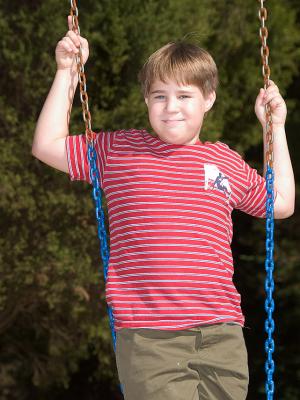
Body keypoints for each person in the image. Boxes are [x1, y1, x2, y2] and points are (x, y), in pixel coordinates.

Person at [32, 16, 295, 400]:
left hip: (221, 332)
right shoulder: (120, 151)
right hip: (151, 336)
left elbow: (281, 203)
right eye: (159, 96)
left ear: (208, 99)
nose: (171, 107)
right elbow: (46, 145)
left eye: (184, 96)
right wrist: (67, 73)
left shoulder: (224, 162)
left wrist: (277, 128)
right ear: (146, 100)